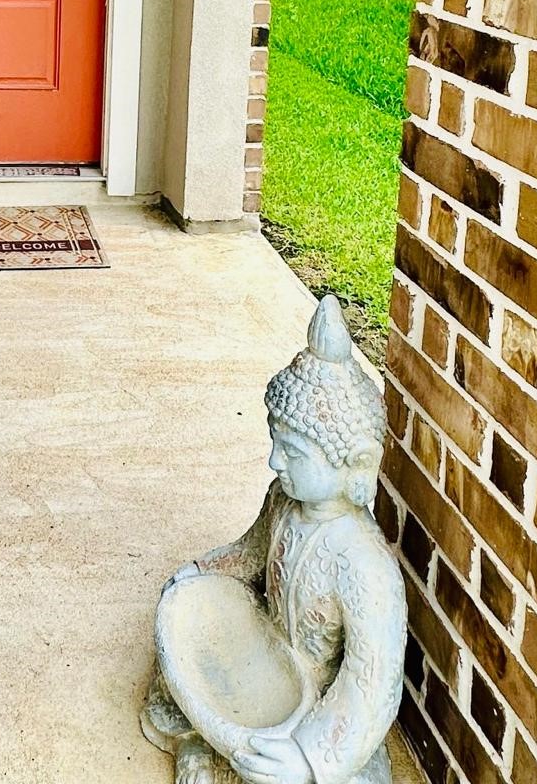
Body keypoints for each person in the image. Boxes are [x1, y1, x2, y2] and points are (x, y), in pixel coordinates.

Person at [142, 295, 407, 784]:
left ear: (356, 463)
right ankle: (210, 741)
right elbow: (248, 553)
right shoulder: (282, 500)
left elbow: (371, 686)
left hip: (316, 708)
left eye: (292, 452)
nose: (274, 462)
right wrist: (199, 574)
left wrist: (310, 759)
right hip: (269, 652)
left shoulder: (365, 566)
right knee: (182, 622)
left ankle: (225, 752)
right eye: (275, 444)